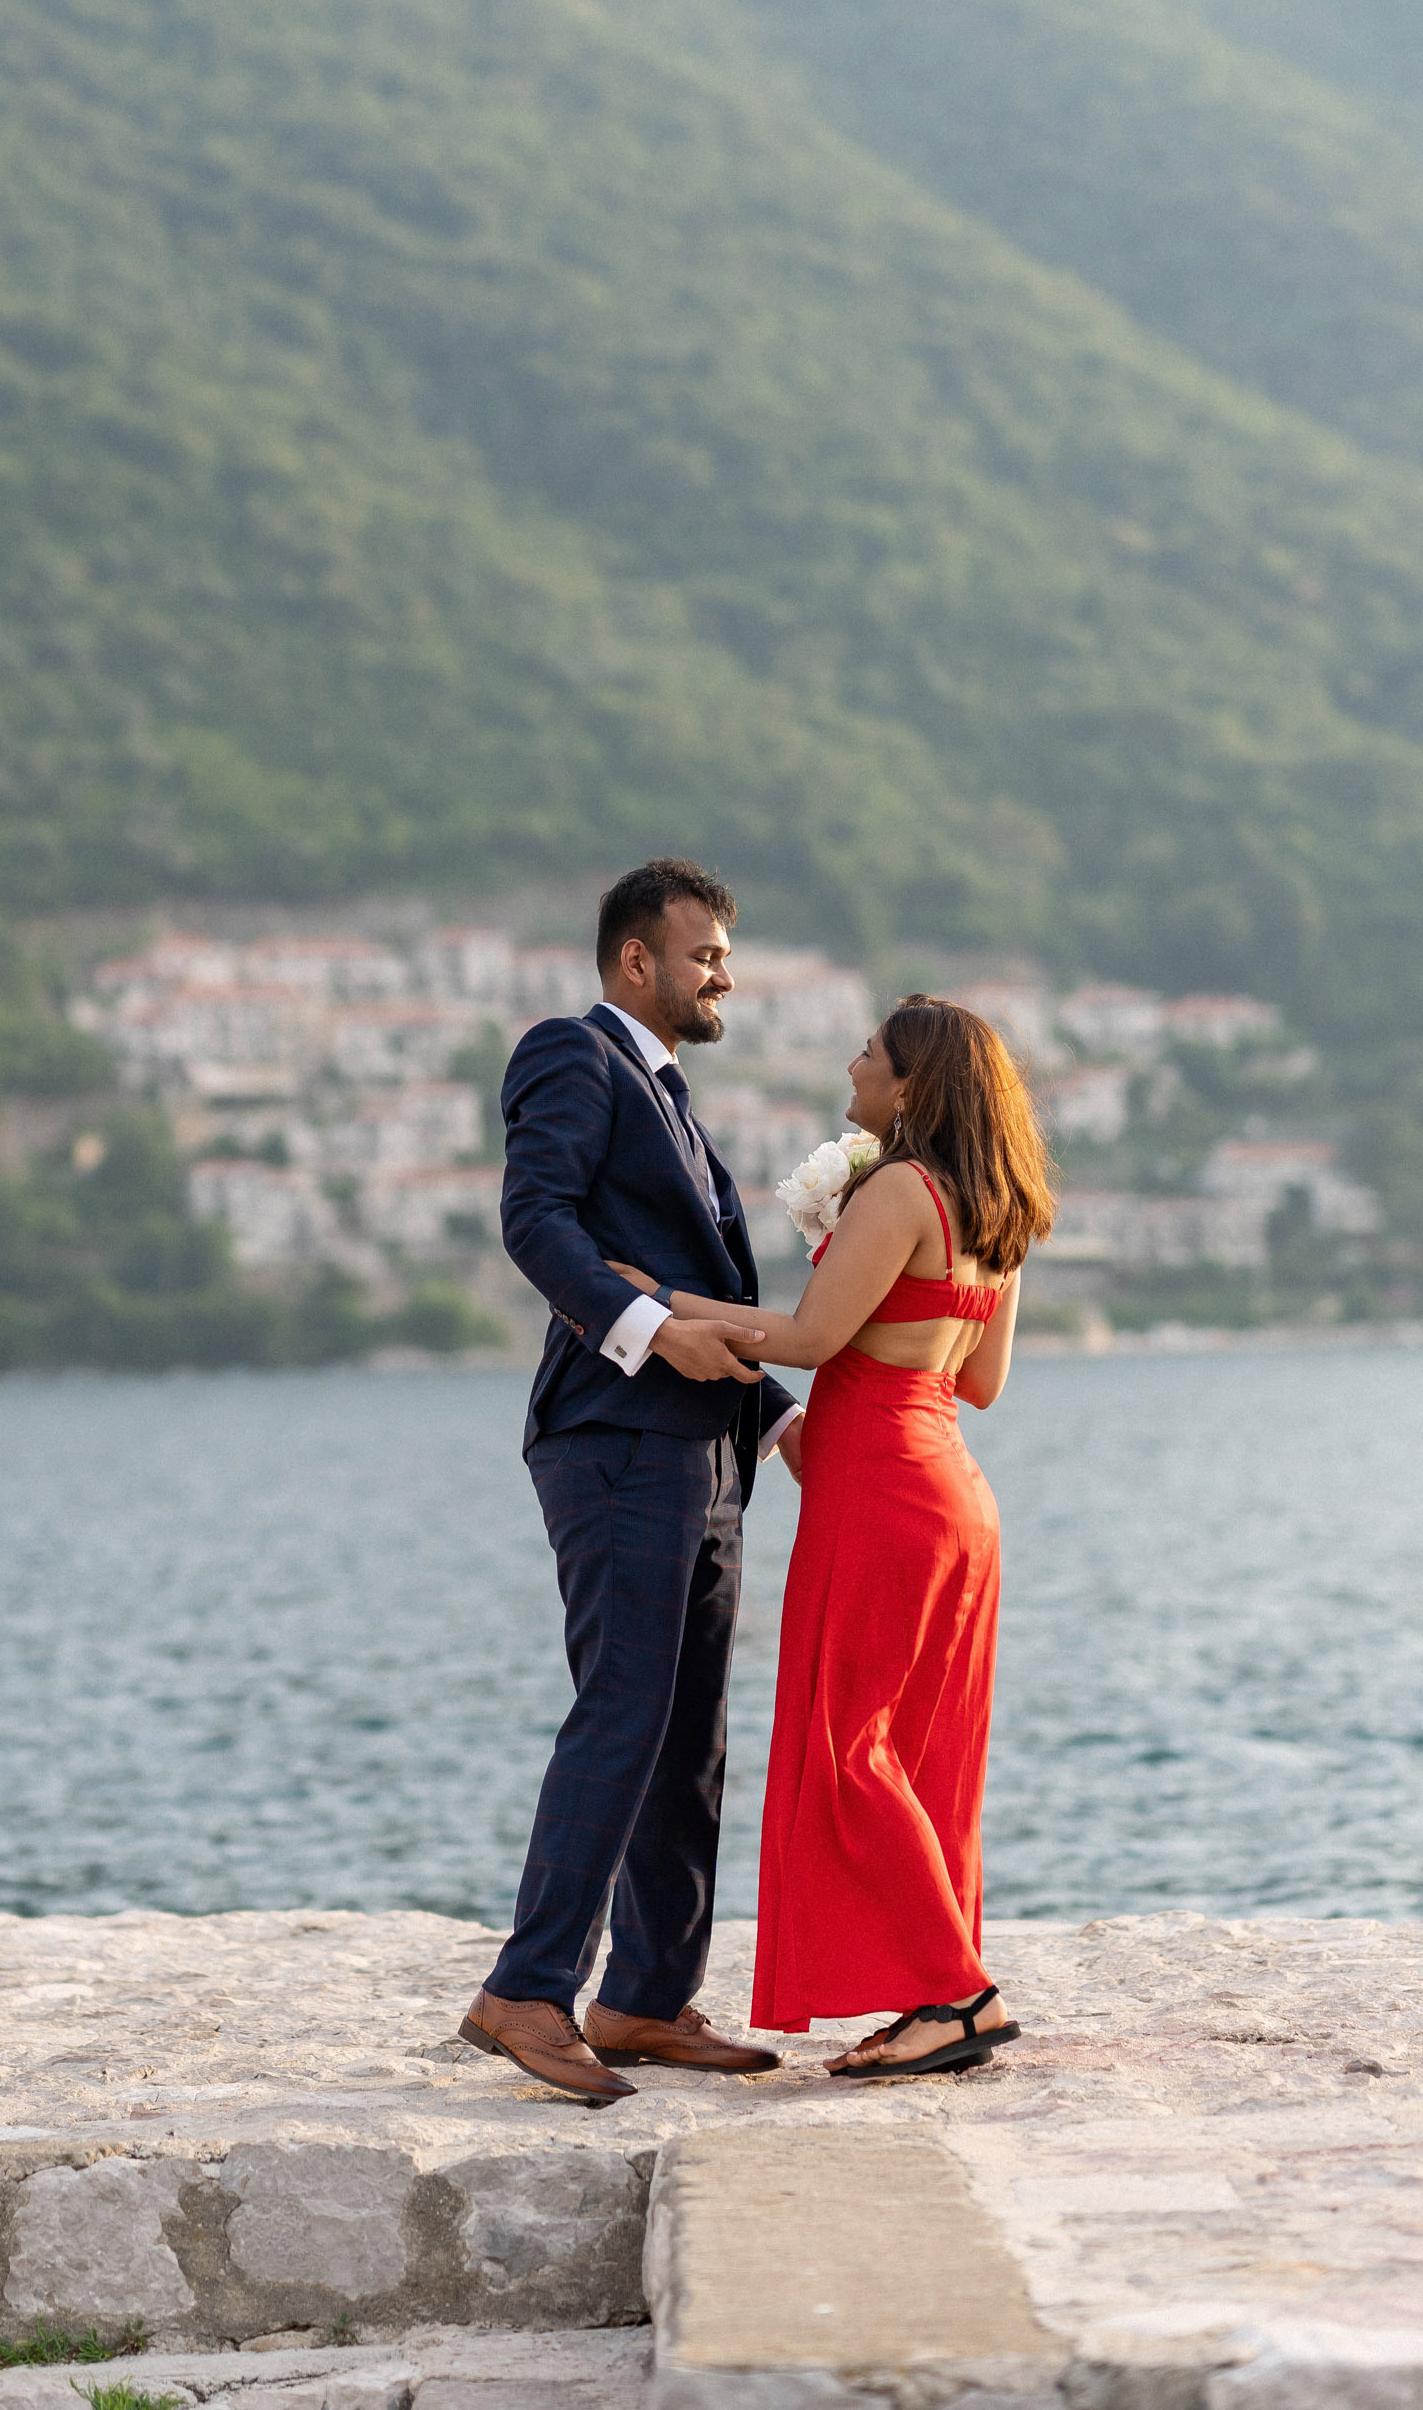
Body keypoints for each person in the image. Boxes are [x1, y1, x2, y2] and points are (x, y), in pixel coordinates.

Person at [628, 995, 1052, 2079]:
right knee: (919, 1755)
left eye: (868, 1051)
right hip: (953, 1489)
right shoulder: (995, 1209)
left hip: (877, 1495)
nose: (851, 1062)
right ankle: (930, 1989)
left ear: (910, 1087)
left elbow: (814, 1340)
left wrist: (659, 1299)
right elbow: (980, 1383)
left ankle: (958, 1995)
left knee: (847, 1743)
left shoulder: (902, 1187)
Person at [459, 858, 803, 2105]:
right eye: (705, 952)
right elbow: (535, 1220)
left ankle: (645, 1999)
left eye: (724, 953)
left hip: (702, 1451)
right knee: (621, 1709)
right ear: (634, 962)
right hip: (612, 1437)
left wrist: (774, 1422)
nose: (724, 974)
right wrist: (650, 1332)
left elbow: (679, 1276)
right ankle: (524, 1993)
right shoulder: (572, 1054)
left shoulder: (671, 1097)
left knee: (687, 1734)